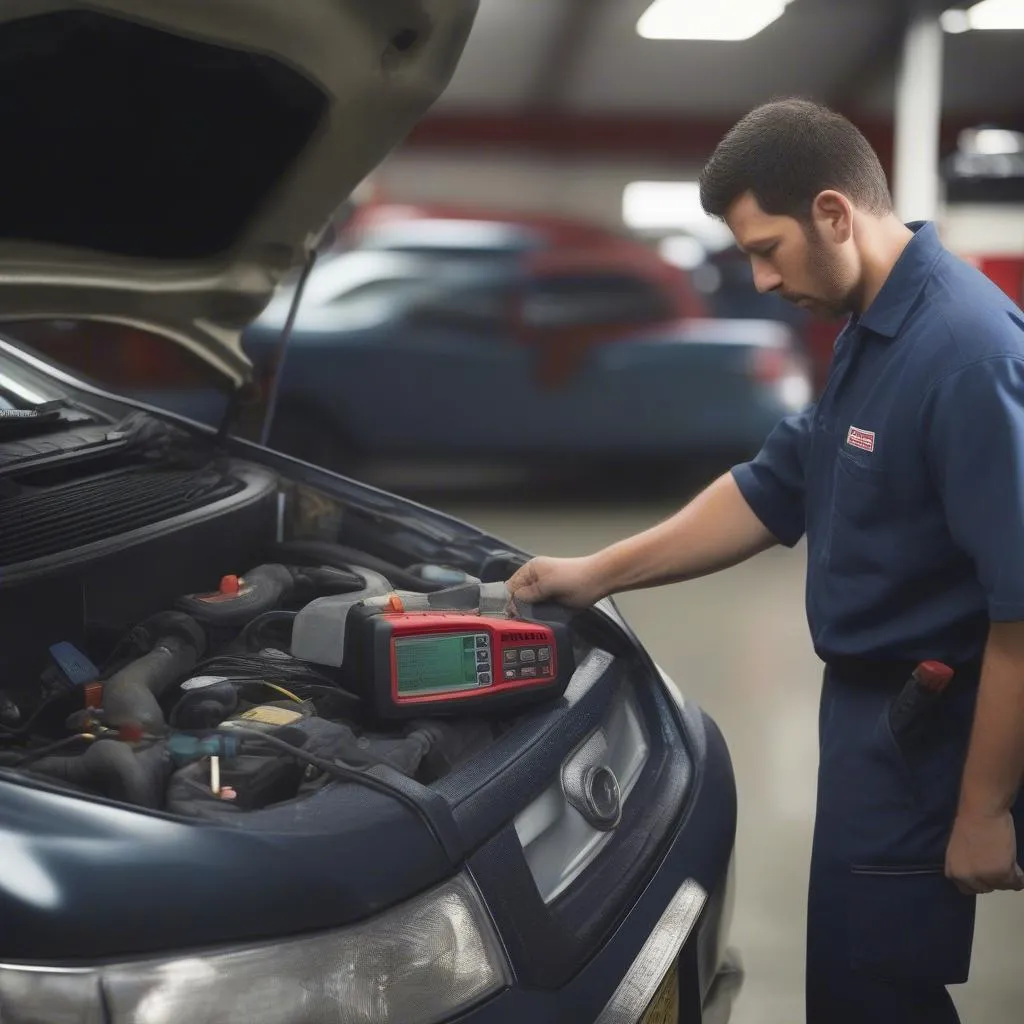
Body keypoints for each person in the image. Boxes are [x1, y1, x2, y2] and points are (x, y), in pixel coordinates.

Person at [505, 98, 1024, 1024]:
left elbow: (1023, 609)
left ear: (833, 212)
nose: (758, 277)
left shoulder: (964, 354)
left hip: (933, 725)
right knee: (853, 979)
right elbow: (776, 484)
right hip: (873, 716)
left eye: (766, 248)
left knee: (879, 995)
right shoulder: (875, 325)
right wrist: (596, 572)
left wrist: (983, 807)